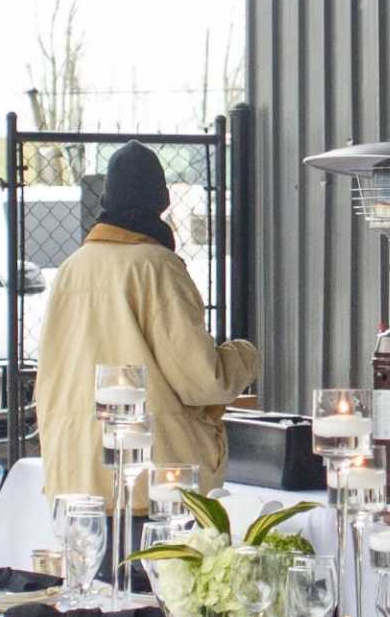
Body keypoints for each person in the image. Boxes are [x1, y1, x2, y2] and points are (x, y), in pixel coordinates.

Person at [36, 143, 259, 494]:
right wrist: (246, 355)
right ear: (163, 199)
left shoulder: (70, 269)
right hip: (152, 477)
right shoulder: (156, 267)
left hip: (74, 476)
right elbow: (201, 379)